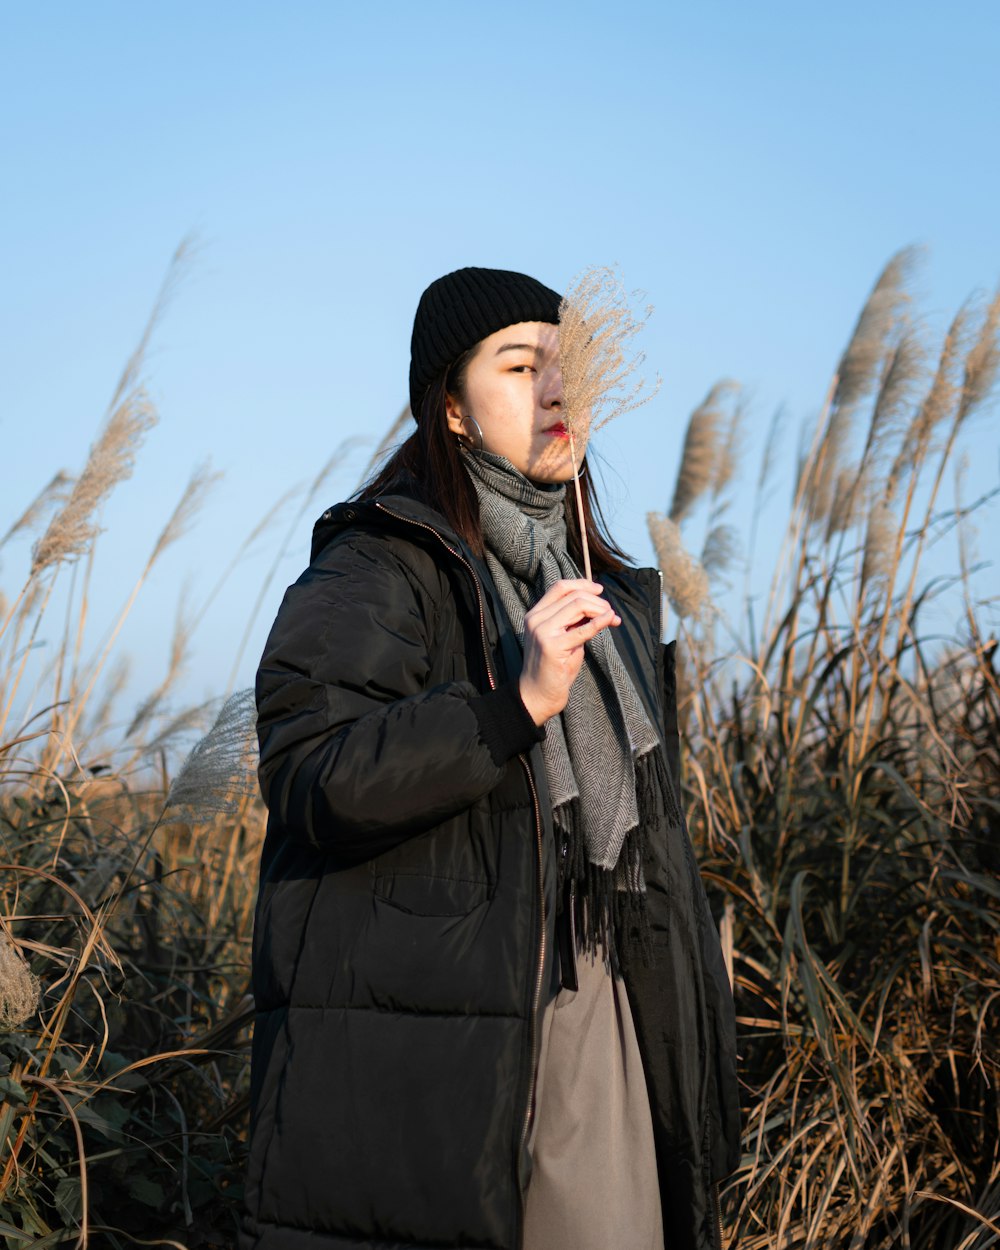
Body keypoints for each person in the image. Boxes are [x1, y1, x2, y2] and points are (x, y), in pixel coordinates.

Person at [240, 267, 739, 1250]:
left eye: (569, 367)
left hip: (611, 1015)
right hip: (450, 1052)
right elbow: (313, 769)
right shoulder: (379, 565)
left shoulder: (619, 596)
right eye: (519, 365)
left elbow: (654, 854)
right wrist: (509, 706)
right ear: (454, 411)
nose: (558, 389)